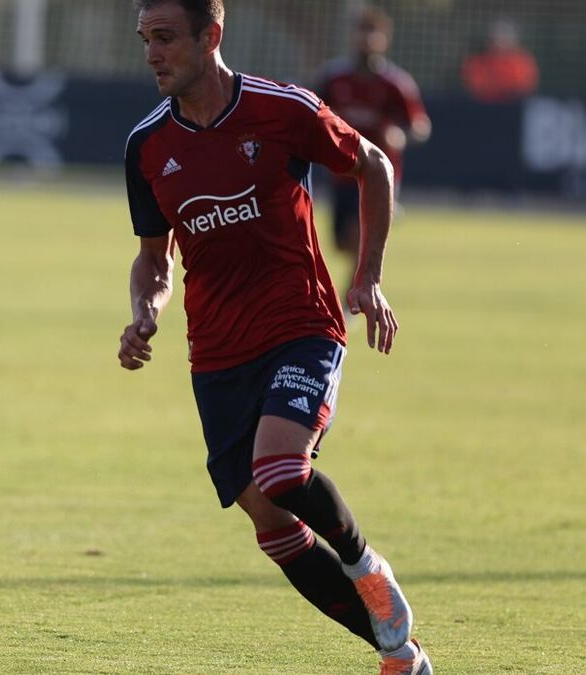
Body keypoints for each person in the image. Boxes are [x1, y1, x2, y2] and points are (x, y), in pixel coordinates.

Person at [119, 1, 430, 673]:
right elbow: (153, 256)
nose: (152, 53)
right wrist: (146, 308)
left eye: (166, 38)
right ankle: (399, 653)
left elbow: (373, 164)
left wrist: (367, 277)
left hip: (302, 326)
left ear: (212, 36)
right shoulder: (146, 146)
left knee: (282, 470)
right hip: (217, 353)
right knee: (271, 523)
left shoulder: (282, 109)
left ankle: (365, 563)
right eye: (146, 39)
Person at [317, 7, 430, 293]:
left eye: (372, 34)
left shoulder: (395, 84)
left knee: (359, 239)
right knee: (342, 242)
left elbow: (419, 125)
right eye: (360, 32)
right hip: (343, 173)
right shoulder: (334, 79)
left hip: (378, 173)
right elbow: (311, 111)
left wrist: (400, 135)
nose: (365, 40)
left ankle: (351, 300)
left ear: (384, 39)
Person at [462, 19, 539, 103]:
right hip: (483, 105)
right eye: (497, 38)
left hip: (513, 105)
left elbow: (524, 86)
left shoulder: (522, 60)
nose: (500, 42)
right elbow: (476, 86)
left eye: (505, 37)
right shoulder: (479, 60)